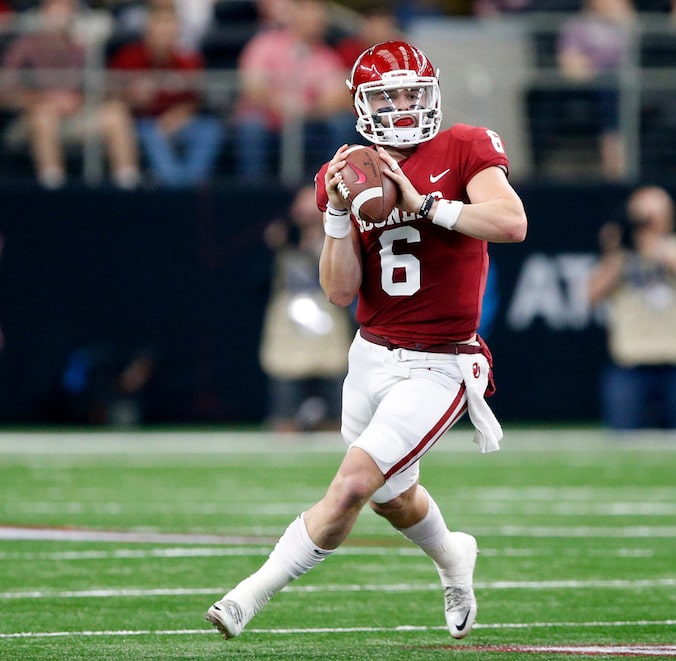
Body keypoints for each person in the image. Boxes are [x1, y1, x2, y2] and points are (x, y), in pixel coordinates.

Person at [206, 40, 527, 640]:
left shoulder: (465, 145)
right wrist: (333, 214)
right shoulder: (349, 168)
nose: (404, 105)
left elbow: (511, 222)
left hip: (442, 363)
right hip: (371, 353)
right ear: (362, 103)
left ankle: (248, 596)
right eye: (389, 94)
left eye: (413, 92)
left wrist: (427, 205)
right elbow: (337, 290)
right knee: (391, 499)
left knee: (353, 483)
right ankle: (454, 556)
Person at [587, 185, 676, 431]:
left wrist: (664, 253)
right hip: (630, 365)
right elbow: (591, 295)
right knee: (622, 448)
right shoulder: (619, 254)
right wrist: (616, 252)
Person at [0, 0, 140, 188]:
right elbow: (5, 91)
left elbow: (100, 87)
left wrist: (80, 99)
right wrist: (43, 99)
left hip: (76, 118)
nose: (61, 14)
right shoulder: (25, 45)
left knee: (116, 114)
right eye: (56, 7)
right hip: (31, 120)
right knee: (44, 115)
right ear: (44, 12)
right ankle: (53, 186)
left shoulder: (83, 46)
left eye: (67, 7)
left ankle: (128, 186)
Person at [259, 185, 353, 432]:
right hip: (288, 325)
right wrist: (270, 249)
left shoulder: (342, 236)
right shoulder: (282, 240)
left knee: (337, 402)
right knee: (285, 392)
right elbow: (254, 282)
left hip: (328, 318)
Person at [233, 0, 354, 183]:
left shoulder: (326, 56)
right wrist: (281, 104)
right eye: (308, 14)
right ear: (294, 17)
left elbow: (335, 99)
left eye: (317, 16)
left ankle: (327, 184)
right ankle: (254, 190)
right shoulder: (265, 43)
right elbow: (252, 87)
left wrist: (306, 109)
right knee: (252, 126)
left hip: (309, 125)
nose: (313, 20)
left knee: (342, 123)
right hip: (269, 122)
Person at [108, 4, 224, 187]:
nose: (164, 32)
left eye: (169, 27)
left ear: (176, 30)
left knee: (210, 130)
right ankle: (175, 185)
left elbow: (195, 100)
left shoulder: (189, 61)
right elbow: (111, 95)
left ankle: (190, 183)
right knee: (150, 132)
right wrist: (131, 97)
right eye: (159, 26)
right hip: (141, 121)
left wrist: (177, 117)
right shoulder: (128, 57)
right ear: (148, 29)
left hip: (178, 122)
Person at [556, 0, 635, 180]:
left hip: (622, 85)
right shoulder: (577, 26)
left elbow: (635, 57)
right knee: (609, 90)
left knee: (615, 89)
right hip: (590, 86)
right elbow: (570, 65)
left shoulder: (625, 24)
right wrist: (595, 70)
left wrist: (625, 18)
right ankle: (615, 166)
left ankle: (618, 160)